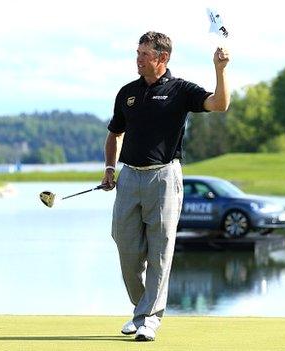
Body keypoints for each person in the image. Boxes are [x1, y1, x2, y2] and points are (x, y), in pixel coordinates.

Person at [100, 31, 230, 342]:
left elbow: (219, 104)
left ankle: (149, 320)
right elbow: (114, 134)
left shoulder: (180, 90)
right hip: (129, 177)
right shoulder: (127, 93)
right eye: (138, 53)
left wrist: (220, 70)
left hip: (164, 177)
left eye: (145, 54)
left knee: (160, 250)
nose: (139, 59)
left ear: (162, 58)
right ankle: (142, 309)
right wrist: (109, 168)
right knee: (125, 245)